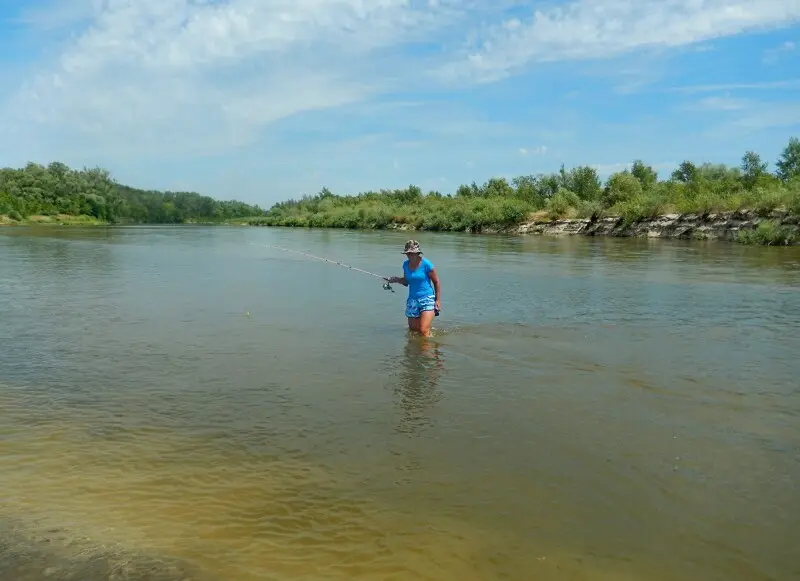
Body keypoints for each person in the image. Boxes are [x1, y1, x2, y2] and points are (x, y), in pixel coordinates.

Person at [385, 240, 441, 337]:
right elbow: (407, 281)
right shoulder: (405, 265)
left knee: (423, 330)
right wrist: (395, 279)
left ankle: (427, 351)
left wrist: (437, 300)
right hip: (412, 300)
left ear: (418, 253)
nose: (409, 255)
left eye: (412, 253)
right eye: (408, 253)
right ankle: (415, 351)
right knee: (413, 331)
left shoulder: (427, 264)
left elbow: (436, 282)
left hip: (427, 298)